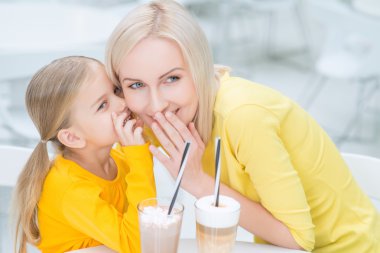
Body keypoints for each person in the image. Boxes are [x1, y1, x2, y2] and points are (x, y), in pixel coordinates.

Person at [105, 0, 380, 252]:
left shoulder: (243, 116)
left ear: (199, 67)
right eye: (136, 84)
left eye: (172, 79)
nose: (156, 104)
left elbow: (298, 240)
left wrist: (199, 183)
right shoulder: (150, 118)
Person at [12, 56, 156, 253]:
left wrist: (143, 138)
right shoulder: (70, 189)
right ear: (72, 137)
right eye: (102, 105)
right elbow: (138, 245)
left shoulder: (118, 159)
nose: (122, 103)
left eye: (116, 91)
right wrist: (139, 157)